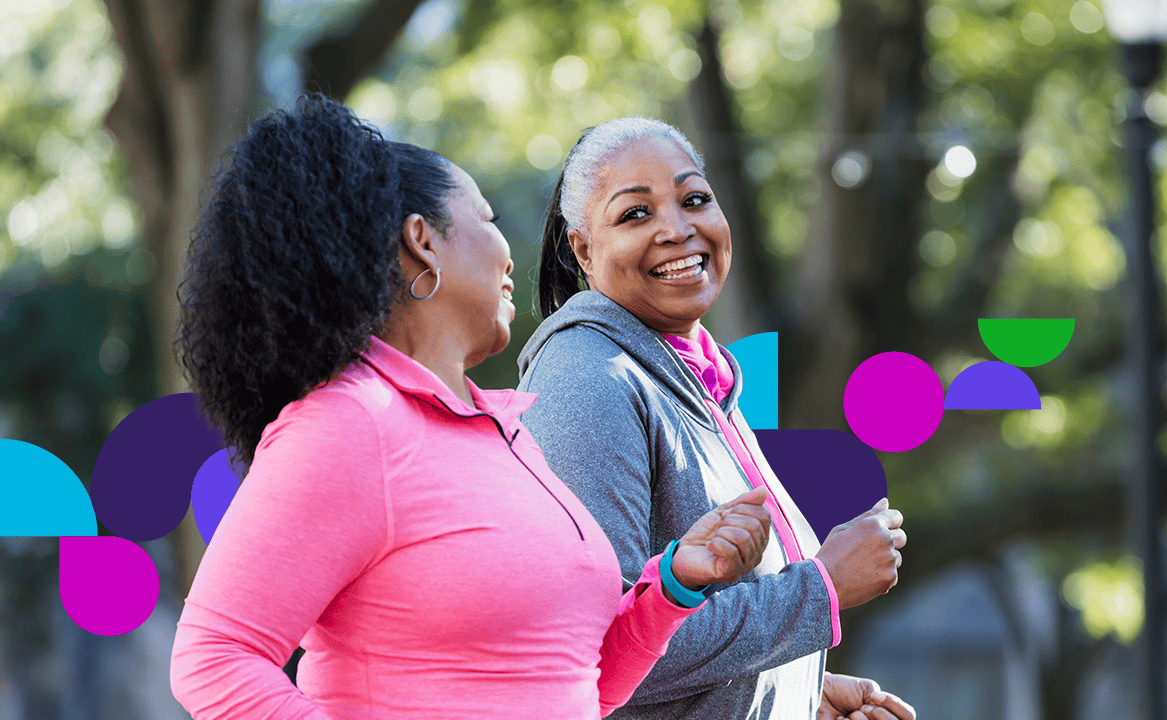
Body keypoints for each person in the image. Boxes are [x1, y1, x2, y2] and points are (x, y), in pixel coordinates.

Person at [168, 95, 776, 720]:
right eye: (486, 219)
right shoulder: (349, 424)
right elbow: (215, 657)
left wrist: (673, 586)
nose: (510, 251)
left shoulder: (506, 435)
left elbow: (577, 682)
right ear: (423, 243)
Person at [516, 118, 916, 720]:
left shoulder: (700, 378)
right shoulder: (587, 379)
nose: (677, 229)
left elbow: (698, 630)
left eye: (694, 199)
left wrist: (797, 693)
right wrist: (822, 588)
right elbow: (598, 650)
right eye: (635, 215)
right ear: (582, 249)